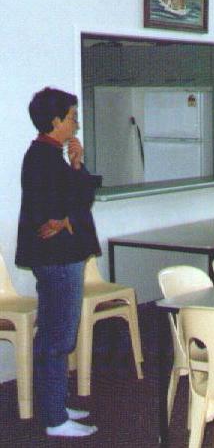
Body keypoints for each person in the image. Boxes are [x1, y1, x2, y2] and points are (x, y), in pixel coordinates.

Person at [16, 88, 99, 437]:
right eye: (72, 117)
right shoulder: (40, 157)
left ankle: (56, 406)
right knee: (58, 337)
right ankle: (53, 418)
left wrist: (77, 166)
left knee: (58, 333)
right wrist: (66, 218)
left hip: (63, 254)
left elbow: (81, 197)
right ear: (55, 121)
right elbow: (52, 210)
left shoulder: (54, 156)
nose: (76, 123)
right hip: (57, 258)